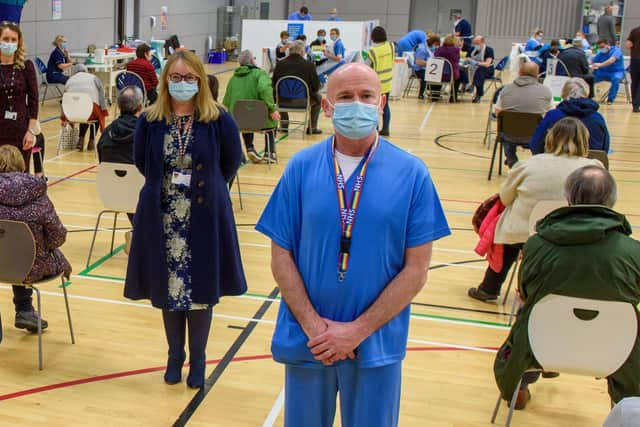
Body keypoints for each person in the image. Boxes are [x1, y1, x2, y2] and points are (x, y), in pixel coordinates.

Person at [256, 62, 450, 427]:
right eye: (345, 97)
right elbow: (281, 256)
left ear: (381, 104)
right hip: (309, 340)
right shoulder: (300, 168)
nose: (356, 104)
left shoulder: (412, 174)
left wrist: (356, 331)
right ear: (326, 106)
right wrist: (316, 328)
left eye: (366, 96)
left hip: (376, 343)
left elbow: (416, 270)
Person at [124, 50, 247, 389]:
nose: (182, 84)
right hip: (162, 214)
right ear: (165, 82)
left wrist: (202, 188)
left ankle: (199, 359)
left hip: (204, 215)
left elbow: (230, 162)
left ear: (200, 81)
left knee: (200, 292)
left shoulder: (218, 118)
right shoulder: (150, 119)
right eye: (175, 78)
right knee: (169, 289)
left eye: (188, 78)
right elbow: (140, 162)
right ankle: (174, 356)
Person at [494, 165, 640, 410]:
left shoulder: (536, 245)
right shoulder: (634, 252)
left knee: (529, 312)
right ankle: (624, 406)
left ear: (569, 198)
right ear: (611, 201)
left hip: (542, 344)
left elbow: (524, 294)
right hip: (615, 350)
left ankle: (522, 384)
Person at [468, 118, 601, 303]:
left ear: (551, 138)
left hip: (523, 232)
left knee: (508, 233)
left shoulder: (528, 164)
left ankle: (489, 287)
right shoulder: (594, 168)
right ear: (584, 140)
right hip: (570, 233)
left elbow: (505, 198)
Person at [0, 144, 71, 336]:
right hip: (32, 266)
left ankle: (24, 310)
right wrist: (41, 245)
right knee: (20, 252)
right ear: (22, 165)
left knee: (8, 250)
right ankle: (25, 310)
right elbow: (58, 236)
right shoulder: (38, 194)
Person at [97, 86, 142, 254]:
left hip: (111, 194)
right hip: (140, 196)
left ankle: (138, 233)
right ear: (140, 106)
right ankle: (140, 234)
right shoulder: (147, 132)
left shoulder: (107, 132)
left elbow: (102, 160)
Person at [223, 50, 280, 163]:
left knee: (244, 115)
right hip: (258, 120)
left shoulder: (233, 78)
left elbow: (226, 101)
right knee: (272, 121)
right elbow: (264, 90)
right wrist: (272, 109)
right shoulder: (260, 74)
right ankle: (269, 152)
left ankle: (249, 147)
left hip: (238, 121)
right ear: (252, 61)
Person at [529, 78, 609, 155]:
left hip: (555, 164)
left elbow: (536, 144)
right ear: (586, 93)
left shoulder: (552, 115)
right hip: (588, 165)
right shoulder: (597, 118)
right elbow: (604, 149)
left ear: (564, 93)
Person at [494, 62, 552, 166]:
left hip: (509, 135)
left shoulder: (506, 89)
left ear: (519, 72)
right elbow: (549, 114)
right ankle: (537, 162)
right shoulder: (545, 91)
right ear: (537, 74)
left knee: (506, 130)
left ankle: (511, 160)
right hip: (535, 135)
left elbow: (498, 111)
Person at [0, 22, 39, 170]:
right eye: (5, 39)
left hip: (21, 129)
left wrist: (30, 131)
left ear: (19, 42)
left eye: (13, 40)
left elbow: (34, 100)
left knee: (21, 171)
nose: (9, 43)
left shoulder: (26, 67)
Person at [271, 41, 321, 135]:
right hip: (303, 101)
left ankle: (284, 126)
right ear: (302, 52)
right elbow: (315, 86)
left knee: (278, 94)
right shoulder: (309, 65)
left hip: (282, 101)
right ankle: (312, 127)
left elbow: (274, 83)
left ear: (289, 51)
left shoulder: (280, 64)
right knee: (319, 98)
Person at [62, 64, 108, 151]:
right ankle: (91, 141)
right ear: (85, 70)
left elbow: (64, 98)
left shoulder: (69, 80)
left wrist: (63, 115)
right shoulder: (94, 78)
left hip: (72, 112)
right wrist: (104, 110)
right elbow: (102, 94)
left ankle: (81, 140)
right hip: (89, 110)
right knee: (95, 114)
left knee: (83, 112)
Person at [368, 26, 395, 136]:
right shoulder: (391, 46)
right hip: (388, 81)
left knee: (374, 107)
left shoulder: (372, 51)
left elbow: (369, 68)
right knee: (385, 105)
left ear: (373, 37)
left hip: (376, 83)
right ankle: (386, 129)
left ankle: (375, 128)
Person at [592, 38, 625, 104]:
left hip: (616, 72)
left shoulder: (616, 51)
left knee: (616, 79)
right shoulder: (600, 53)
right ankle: (589, 96)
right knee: (590, 78)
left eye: (602, 47)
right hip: (603, 72)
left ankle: (610, 99)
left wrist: (600, 65)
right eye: (599, 47)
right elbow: (592, 61)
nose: (601, 49)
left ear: (608, 45)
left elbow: (611, 61)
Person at [434, 34, 463, 102]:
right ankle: (453, 97)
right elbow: (457, 60)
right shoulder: (456, 50)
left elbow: (435, 58)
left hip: (438, 74)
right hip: (451, 75)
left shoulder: (439, 49)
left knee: (438, 75)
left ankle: (435, 95)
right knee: (461, 75)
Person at [468, 36, 495, 103]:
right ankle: (476, 94)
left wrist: (476, 63)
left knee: (481, 70)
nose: (476, 45)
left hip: (488, 69)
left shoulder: (489, 50)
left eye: (477, 43)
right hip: (475, 69)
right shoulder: (472, 49)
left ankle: (473, 87)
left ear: (482, 42)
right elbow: (468, 58)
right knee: (478, 73)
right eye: (475, 43)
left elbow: (487, 64)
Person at [413, 35, 441, 100]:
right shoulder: (422, 49)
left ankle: (434, 94)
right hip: (419, 69)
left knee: (437, 75)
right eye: (436, 44)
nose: (436, 46)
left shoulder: (430, 48)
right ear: (433, 42)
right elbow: (418, 62)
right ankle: (421, 94)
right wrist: (431, 63)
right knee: (425, 77)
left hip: (428, 68)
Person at [627, 24, 640, 112]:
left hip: (635, 59)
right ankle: (637, 103)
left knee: (634, 82)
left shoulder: (634, 30)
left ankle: (634, 105)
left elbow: (628, 45)